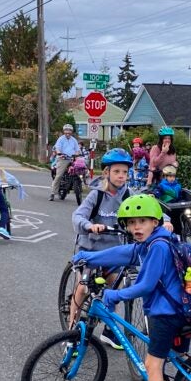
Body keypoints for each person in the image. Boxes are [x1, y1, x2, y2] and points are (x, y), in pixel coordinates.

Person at [73, 194, 191, 381]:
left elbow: (145, 285)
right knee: (181, 361)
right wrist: (88, 258)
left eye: (143, 221)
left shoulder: (158, 247)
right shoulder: (150, 244)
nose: (137, 227)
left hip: (166, 315)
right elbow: (123, 253)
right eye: (132, 222)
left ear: (156, 221)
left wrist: (115, 294)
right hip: (181, 311)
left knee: (152, 366)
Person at [69, 148, 135, 348]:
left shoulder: (128, 195)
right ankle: (71, 333)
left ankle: (108, 330)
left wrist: (164, 221)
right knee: (82, 288)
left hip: (114, 252)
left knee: (113, 286)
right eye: (117, 171)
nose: (121, 176)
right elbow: (78, 216)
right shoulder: (96, 195)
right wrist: (90, 226)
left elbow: (149, 207)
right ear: (107, 173)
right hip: (91, 251)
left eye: (125, 172)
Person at [50, 124, 82, 201]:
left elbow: (77, 150)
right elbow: (57, 148)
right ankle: (52, 193)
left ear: (71, 132)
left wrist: (77, 154)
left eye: (69, 131)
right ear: (64, 131)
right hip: (63, 158)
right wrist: (59, 153)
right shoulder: (61, 139)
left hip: (72, 159)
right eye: (66, 131)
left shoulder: (74, 140)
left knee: (79, 169)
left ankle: (78, 185)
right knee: (59, 175)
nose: (68, 132)